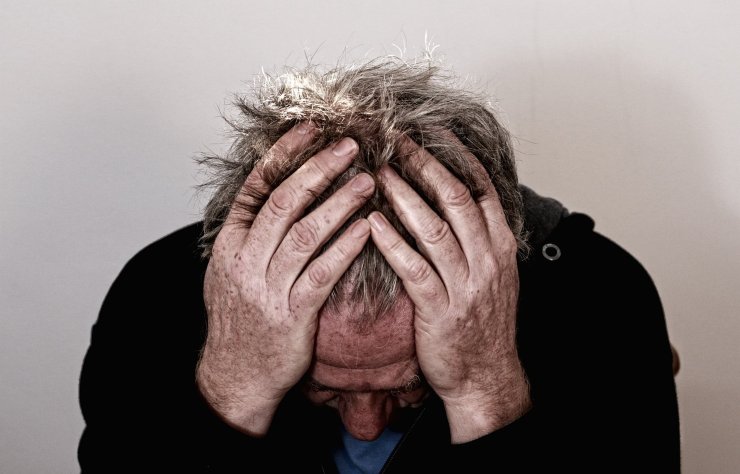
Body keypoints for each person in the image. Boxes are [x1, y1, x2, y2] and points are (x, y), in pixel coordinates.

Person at [78, 56, 681, 473]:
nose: (366, 427)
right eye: (324, 388)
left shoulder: (604, 297)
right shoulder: (155, 294)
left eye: (410, 385)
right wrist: (233, 393)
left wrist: (484, 392)